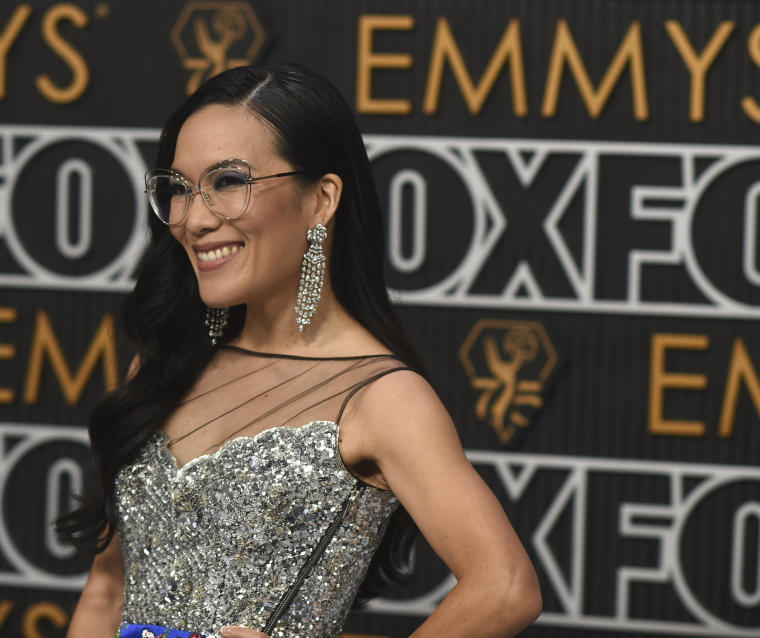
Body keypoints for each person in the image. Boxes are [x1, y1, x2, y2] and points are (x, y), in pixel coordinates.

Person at [60, 63, 541, 638]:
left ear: (321, 200)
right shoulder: (161, 368)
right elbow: (106, 591)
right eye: (180, 189)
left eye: (229, 182)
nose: (194, 219)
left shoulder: (381, 399)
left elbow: (506, 588)